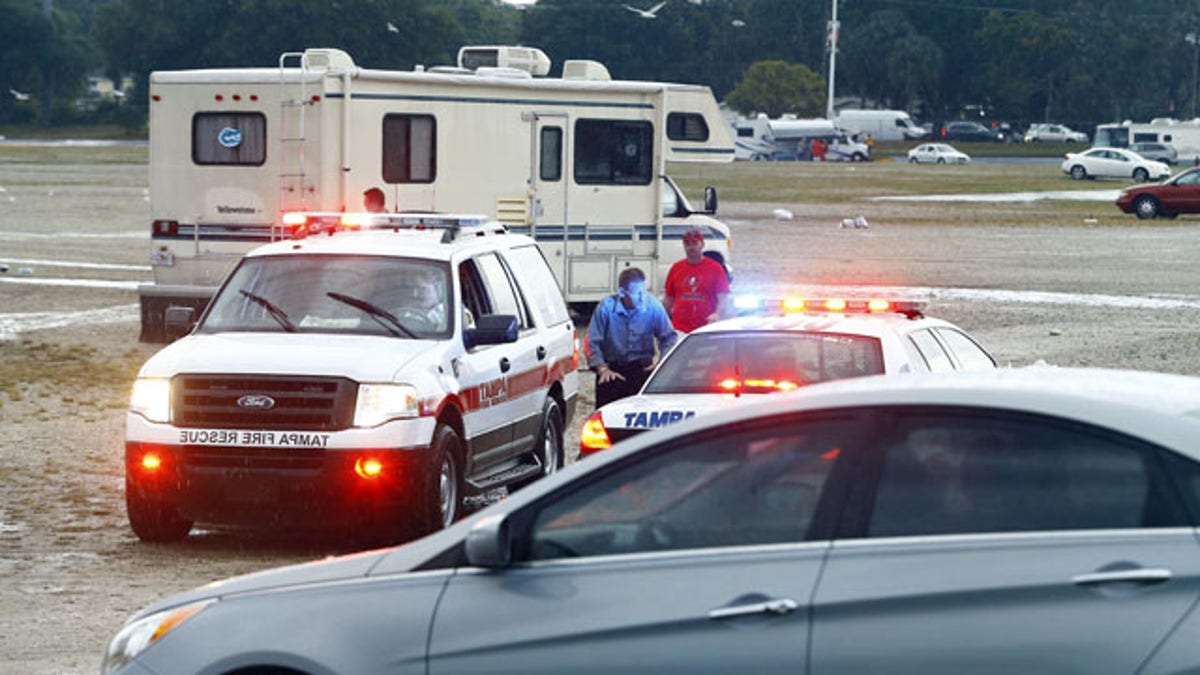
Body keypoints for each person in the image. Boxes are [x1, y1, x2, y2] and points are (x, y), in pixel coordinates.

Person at [586, 267, 678, 408]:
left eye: (645, 292)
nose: (642, 297)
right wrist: (602, 368)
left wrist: (661, 363)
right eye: (637, 293)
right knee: (607, 417)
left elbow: (669, 337)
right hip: (613, 370)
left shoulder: (652, 306)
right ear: (622, 293)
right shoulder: (606, 308)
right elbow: (592, 342)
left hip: (642, 369)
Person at [662, 228, 731, 333]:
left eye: (695, 243)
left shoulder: (716, 269)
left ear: (702, 244)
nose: (691, 247)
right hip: (680, 329)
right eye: (687, 244)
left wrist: (717, 314)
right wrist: (661, 321)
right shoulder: (676, 268)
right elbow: (668, 299)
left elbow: (724, 299)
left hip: (706, 328)